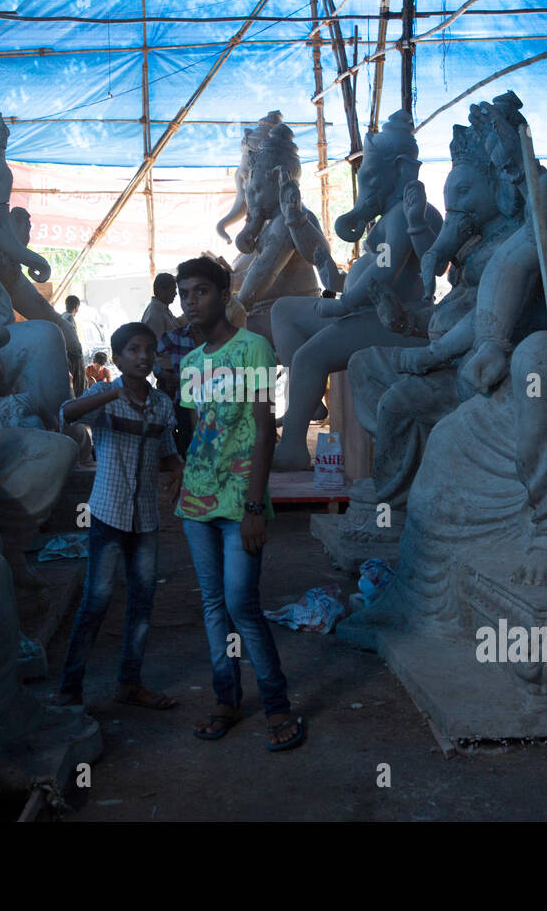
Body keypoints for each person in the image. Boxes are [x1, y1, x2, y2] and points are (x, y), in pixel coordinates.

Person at [173, 255, 305, 752]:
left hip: (239, 502)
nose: (190, 302)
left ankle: (277, 706)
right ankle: (225, 700)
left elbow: (263, 431)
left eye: (200, 292)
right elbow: (196, 433)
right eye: (185, 294)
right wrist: (181, 479)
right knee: (211, 607)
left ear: (224, 295)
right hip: (196, 504)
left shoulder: (253, 349)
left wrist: (254, 507)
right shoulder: (189, 363)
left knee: (241, 606)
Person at [56, 322, 184, 710]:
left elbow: (166, 451)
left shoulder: (161, 404)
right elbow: (66, 414)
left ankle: (129, 683)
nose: (143, 357)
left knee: (142, 602)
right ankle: (69, 689)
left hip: (146, 519)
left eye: (149, 350)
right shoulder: (103, 396)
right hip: (108, 514)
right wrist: (111, 391)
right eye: (133, 350)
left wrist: (177, 467)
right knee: (96, 600)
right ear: (117, 358)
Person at [155, 320, 202, 456]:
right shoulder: (176, 337)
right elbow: (149, 355)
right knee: (187, 445)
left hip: (216, 402)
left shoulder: (220, 339)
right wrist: (164, 374)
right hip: (184, 401)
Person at [141, 273, 180, 340]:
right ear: (161, 290)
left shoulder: (162, 308)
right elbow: (158, 346)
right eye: (173, 289)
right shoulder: (155, 315)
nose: (176, 293)